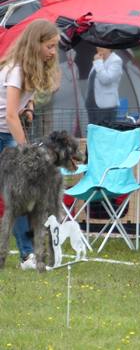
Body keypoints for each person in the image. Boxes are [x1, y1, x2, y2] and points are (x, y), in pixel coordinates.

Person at [0, 19, 60, 270]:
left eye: (55, 47)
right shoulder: (15, 71)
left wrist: (31, 106)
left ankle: (27, 255)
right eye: (49, 46)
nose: (53, 52)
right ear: (35, 45)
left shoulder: (34, 69)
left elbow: (24, 101)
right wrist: (25, 149)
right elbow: (11, 115)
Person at [85, 47, 123, 125]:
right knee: (93, 131)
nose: (99, 47)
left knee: (104, 132)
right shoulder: (99, 59)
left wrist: (98, 62)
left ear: (110, 47)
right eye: (98, 45)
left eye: (103, 45)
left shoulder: (116, 60)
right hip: (92, 105)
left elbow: (106, 79)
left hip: (106, 106)